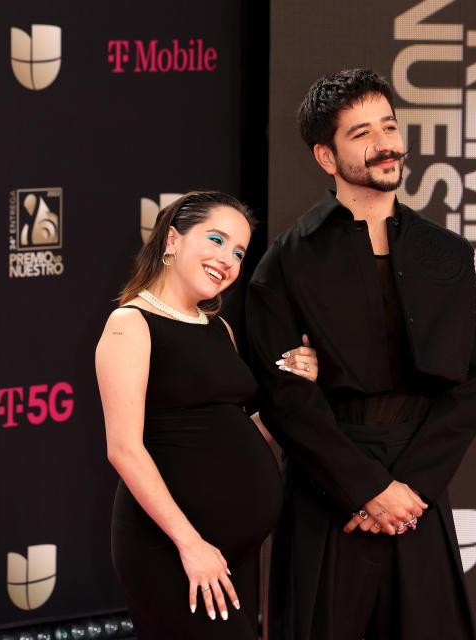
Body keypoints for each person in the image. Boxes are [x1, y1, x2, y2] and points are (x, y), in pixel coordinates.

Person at [246, 69, 476, 640]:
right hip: (328, 487)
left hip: (417, 489)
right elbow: (284, 396)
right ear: (326, 158)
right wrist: (366, 490)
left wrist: (410, 491)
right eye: (361, 133)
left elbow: (469, 385)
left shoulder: (447, 253)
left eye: (389, 125)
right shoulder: (286, 262)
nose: (385, 143)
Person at [96, 191, 318, 639]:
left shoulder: (219, 328)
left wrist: (295, 386)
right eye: (216, 240)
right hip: (171, 552)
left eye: (238, 251)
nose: (228, 259)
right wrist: (191, 544)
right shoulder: (129, 325)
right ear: (173, 240)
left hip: (225, 554)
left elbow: (229, 430)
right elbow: (124, 450)